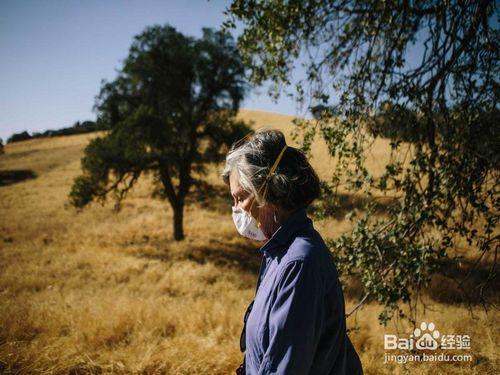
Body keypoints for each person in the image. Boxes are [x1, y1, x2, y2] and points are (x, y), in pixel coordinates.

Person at [222, 129, 363, 375]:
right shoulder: (277, 253)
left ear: (269, 190)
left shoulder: (299, 263)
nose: (237, 209)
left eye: (241, 197)